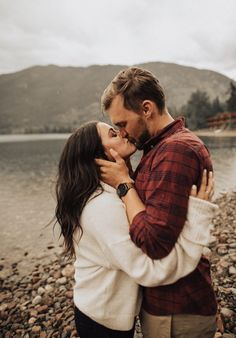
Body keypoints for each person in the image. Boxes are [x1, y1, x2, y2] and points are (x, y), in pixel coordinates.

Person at [55, 121, 217, 338]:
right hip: (103, 322)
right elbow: (150, 271)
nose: (122, 133)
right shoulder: (102, 208)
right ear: (98, 157)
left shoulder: (110, 193)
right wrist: (197, 219)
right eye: (113, 134)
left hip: (106, 312)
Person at [96, 67, 218, 338]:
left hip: (177, 309)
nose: (122, 133)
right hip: (168, 303)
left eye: (123, 124)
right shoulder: (157, 149)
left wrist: (124, 184)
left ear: (147, 109)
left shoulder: (176, 150)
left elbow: (154, 241)